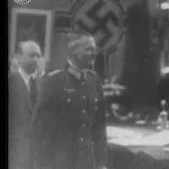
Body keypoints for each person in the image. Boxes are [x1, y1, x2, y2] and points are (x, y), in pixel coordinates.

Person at [32, 32, 108, 169]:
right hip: (61, 162)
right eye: (88, 49)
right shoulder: (53, 82)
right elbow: (40, 131)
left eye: (94, 49)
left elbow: (100, 126)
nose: (93, 53)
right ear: (73, 51)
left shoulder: (93, 80)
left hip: (87, 162)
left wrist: (100, 162)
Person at [9, 40, 42, 169]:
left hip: (36, 154)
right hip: (15, 151)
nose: (36, 59)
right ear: (18, 57)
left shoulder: (41, 84)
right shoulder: (11, 81)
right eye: (31, 55)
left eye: (38, 56)